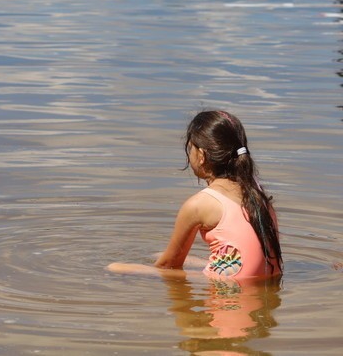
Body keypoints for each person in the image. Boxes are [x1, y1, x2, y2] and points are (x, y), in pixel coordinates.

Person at [109, 110, 282, 279]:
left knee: (114, 267)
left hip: (227, 294)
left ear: (201, 155)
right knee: (158, 254)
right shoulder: (258, 197)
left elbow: (168, 264)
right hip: (257, 282)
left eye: (191, 147)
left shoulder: (200, 204)